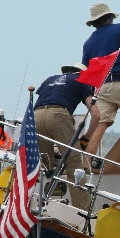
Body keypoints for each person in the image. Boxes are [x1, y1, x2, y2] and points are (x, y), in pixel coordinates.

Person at [81, 2, 120, 158]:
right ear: (109, 17)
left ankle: (86, 164)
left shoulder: (88, 43)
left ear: (94, 23)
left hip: (103, 88)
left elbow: (86, 71)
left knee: (100, 125)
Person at [35, 63, 100, 209]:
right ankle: (82, 213)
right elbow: (96, 114)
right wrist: (87, 137)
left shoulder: (50, 79)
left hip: (36, 116)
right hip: (59, 116)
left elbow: (44, 99)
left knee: (46, 164)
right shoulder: (81, 81)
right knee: (74, 164)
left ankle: (42, 207)